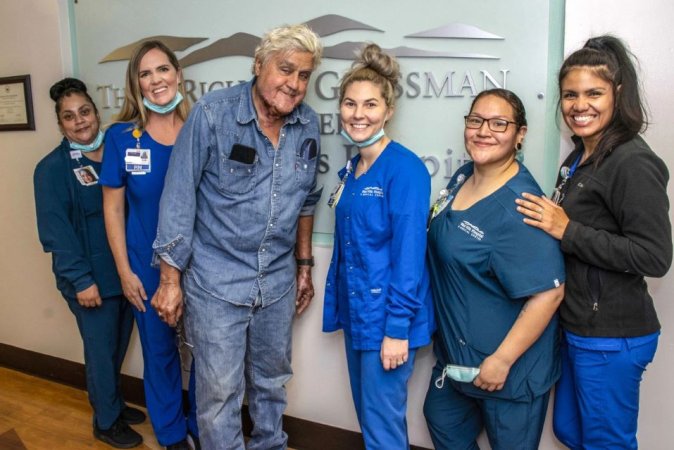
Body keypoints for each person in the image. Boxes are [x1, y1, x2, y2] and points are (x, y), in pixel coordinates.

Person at [150, 24, 323, 449]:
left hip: (277, 285)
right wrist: (170, 282)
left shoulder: (308, 125)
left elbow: (306, 201)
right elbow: (177, 200)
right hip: (216, 285)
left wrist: (303, 266)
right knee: (219, 395)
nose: (295, 84)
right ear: (260, 64)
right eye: (286, 69)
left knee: (271, 385)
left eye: (304, 76)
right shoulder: (212, 114)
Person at [515, 35, 672, 449]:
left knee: (607, 443)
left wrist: (568, 229)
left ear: (616, 95)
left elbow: (654, 256)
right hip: (576, 324)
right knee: (569, 430)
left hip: (611, 334)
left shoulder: (632, 162)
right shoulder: (578, 156)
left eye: (593, 93)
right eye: (570, 94)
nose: (579, 105)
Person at [424, 89, 566, 449]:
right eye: (476, 120)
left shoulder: (523, 206)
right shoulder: (461, 178)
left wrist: (501, 360)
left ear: (520, 134)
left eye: (499, 123)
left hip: (509, 370)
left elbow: (550, 292)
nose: (484, 130)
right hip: (456, 359)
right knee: (441, 419)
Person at [322, 43, 434, 450]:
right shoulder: (354, 168)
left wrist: (397, 330)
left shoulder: (405, 170)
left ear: (388, 111)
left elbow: (409, 256)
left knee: (383, 428)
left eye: (370, 105)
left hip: (387, 320)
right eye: (350, 104)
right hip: (359, 316)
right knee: (371, 421)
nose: (358, 114)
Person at [34, 78, 145, 448]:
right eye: (69, 117)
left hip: (124, 275)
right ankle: (106, 421)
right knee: (100, 352)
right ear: (61, 124)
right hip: (91, 280)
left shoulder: (115, 150)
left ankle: (109, 402)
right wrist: (81, 280)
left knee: (116, 348)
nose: (79, 121)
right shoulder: (52, 169)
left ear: (96, 113)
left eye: (84, 112)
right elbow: (56, 233)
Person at [99, 40, 198, 450]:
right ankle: (172, 433)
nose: (155, 80)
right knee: (160, 353)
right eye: (145, 73)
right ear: (135, 84)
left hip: (201, 265)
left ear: (177, 74)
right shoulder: (123, 137)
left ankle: (199, 422)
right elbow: (113, 210)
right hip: (146, 266)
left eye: (162, 70)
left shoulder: (200, 127)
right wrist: (125, 271)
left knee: (209, 355)